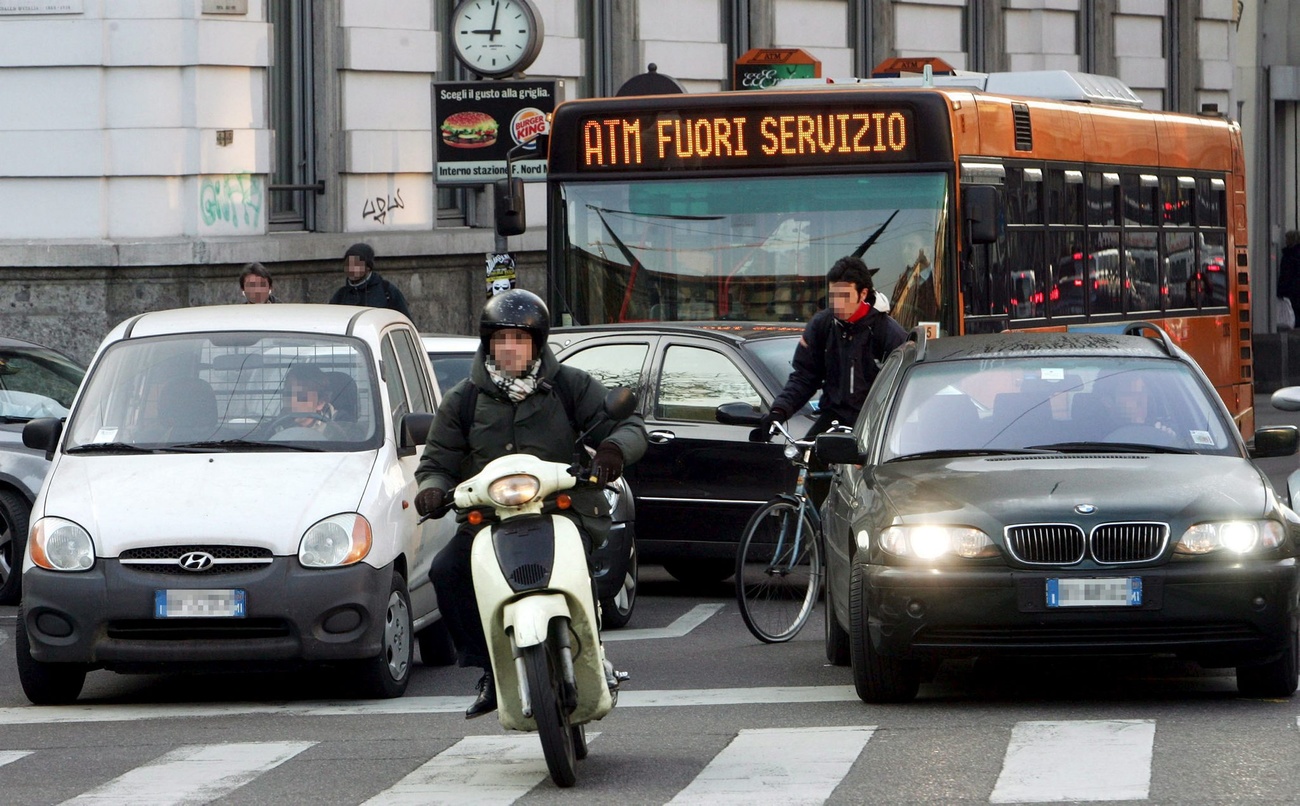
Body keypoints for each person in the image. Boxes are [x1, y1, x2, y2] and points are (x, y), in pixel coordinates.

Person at [413, 289, 647, 719]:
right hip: (488, 518)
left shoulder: (569, 386)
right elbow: (436, 460)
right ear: (489, 343)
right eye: (501, 339)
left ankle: (591, 640)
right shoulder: (463, 399)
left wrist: (613, 449)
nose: (509, 348)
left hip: (563, 507)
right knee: (446, 571)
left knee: (576, 558)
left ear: (536, 344)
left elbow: (626, 421)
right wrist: (431, 486)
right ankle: (487, 669)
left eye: (519, 339)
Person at [755, 255, 908, 442]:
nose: (838, 304)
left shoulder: (888, 332)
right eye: (833, 296)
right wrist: (779, 411)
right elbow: (804, 377)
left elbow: (905, 389)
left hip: (877, 422)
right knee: (806, 461)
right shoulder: (822, 325)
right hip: (833, 417)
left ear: (863, 294)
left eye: (845, 296)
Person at [328, 242, 412, 318]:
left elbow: (405, 322)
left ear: (368, 267)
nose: (351, 269)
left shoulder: (387, 291)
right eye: (348, 264)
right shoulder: (341, 295)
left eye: (356, 265)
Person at [276, 364, 338, 434]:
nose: (292, 402)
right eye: (288, 394)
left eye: (301, 398)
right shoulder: (266, 433)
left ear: (320, 402)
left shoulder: (339, 433)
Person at [1277, 230, 1300, 328]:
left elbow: (1285, 275)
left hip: (1290, 291)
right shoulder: (1294, 255)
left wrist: (1280, 290)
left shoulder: (1288, 256)